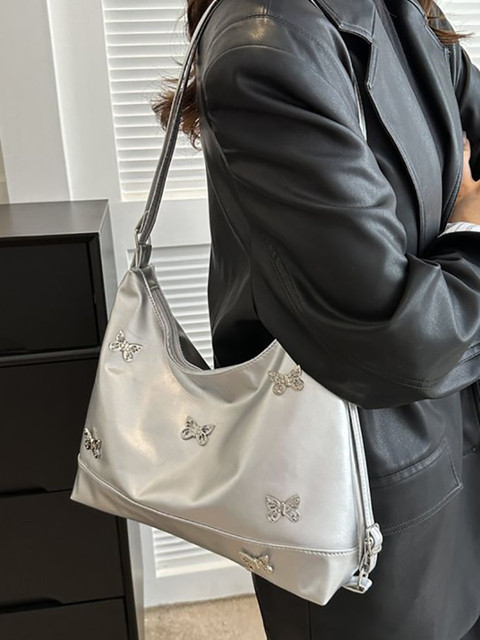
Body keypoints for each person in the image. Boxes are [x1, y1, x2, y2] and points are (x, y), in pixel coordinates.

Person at [153, 0, 480, 638]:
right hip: (372, 503)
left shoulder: (397, 6)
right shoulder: (266, 50)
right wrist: (469, 228)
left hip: (450, 439)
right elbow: (399, 338)